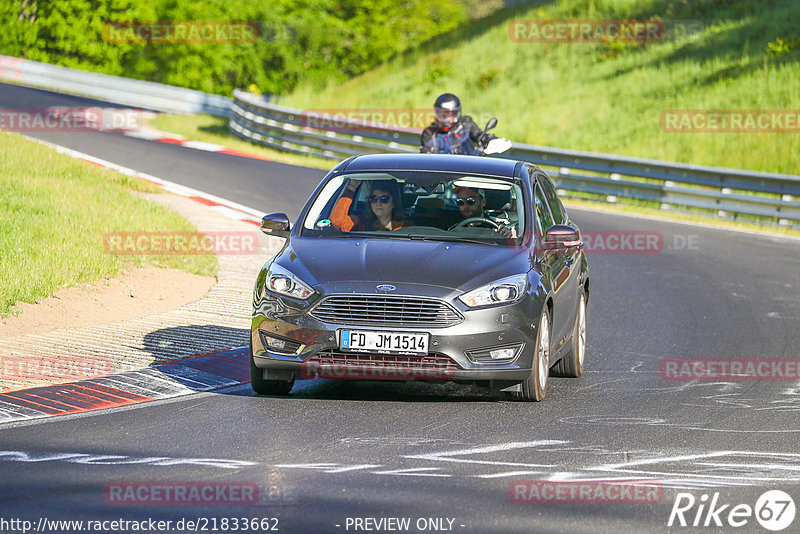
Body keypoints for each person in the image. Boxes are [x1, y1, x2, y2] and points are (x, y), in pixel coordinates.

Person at [420, 93, 496, 154]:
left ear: (456, 113)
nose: (443, 118)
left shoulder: (466, 123)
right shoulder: (430, 133)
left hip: (469, 165)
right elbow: (426, 156)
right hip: (444, 169)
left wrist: (490, 140)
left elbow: (478, 134)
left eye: (447, 114)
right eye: (439, 114)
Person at [330, 179, 413, 232]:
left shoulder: (406, 227)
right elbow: (337, 220)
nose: (378, 203)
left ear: (394, 203)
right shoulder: (360, 224)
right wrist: (352, 187)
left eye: (384, 199)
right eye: (373, 198)